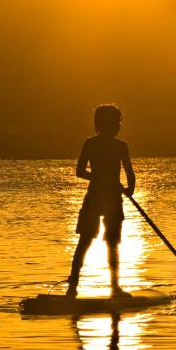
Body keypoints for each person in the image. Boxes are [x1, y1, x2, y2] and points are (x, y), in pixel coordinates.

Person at [66, 104, 136, 298]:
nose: (118, 126)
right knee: (85, 241)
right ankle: (72, 286)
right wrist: (99, 178)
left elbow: (130, 174)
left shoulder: (121, 146)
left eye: (119, 122)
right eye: (116, 122)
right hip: (95, 199)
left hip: (113, 199)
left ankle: (115, 288)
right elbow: (80, 171)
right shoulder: (91, 143)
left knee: (112, 243)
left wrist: (130, 190)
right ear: (104, 123)